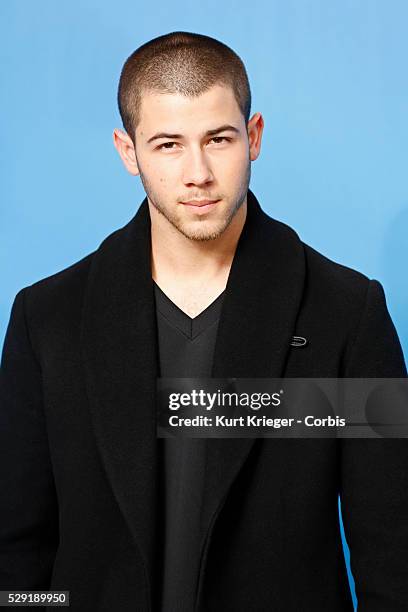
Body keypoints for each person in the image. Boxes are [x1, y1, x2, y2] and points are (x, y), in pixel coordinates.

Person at [1, 30, 407, 612]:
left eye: (218, 138)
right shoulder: (47, 318)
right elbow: (16, 548)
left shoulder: (347, 312)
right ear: (128, 151)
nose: (197, 173)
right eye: (168, 145)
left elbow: (392, 549)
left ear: (254, 137)